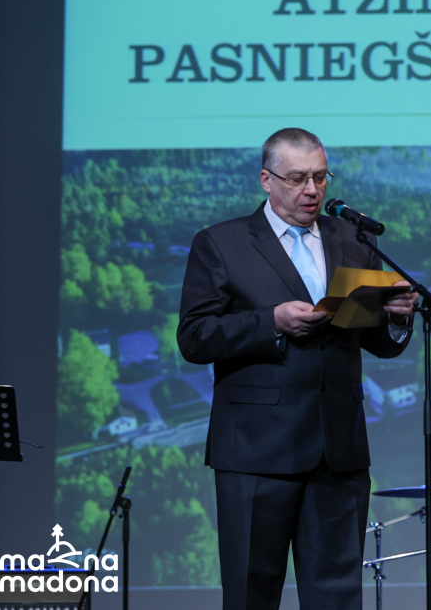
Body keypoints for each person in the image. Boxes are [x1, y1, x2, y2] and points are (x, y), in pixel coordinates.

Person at [177, 128, 418, 610]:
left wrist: (395, 318)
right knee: (251, 595)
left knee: (338, 598)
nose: (312, 190)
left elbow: (375, 341)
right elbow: (195, 337)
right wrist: (272, 322)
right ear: (266, 180)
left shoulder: (353, 239)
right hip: (256, 452)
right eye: (297, 179)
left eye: (320, 177)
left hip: (338, 452)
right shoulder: (222, 243)